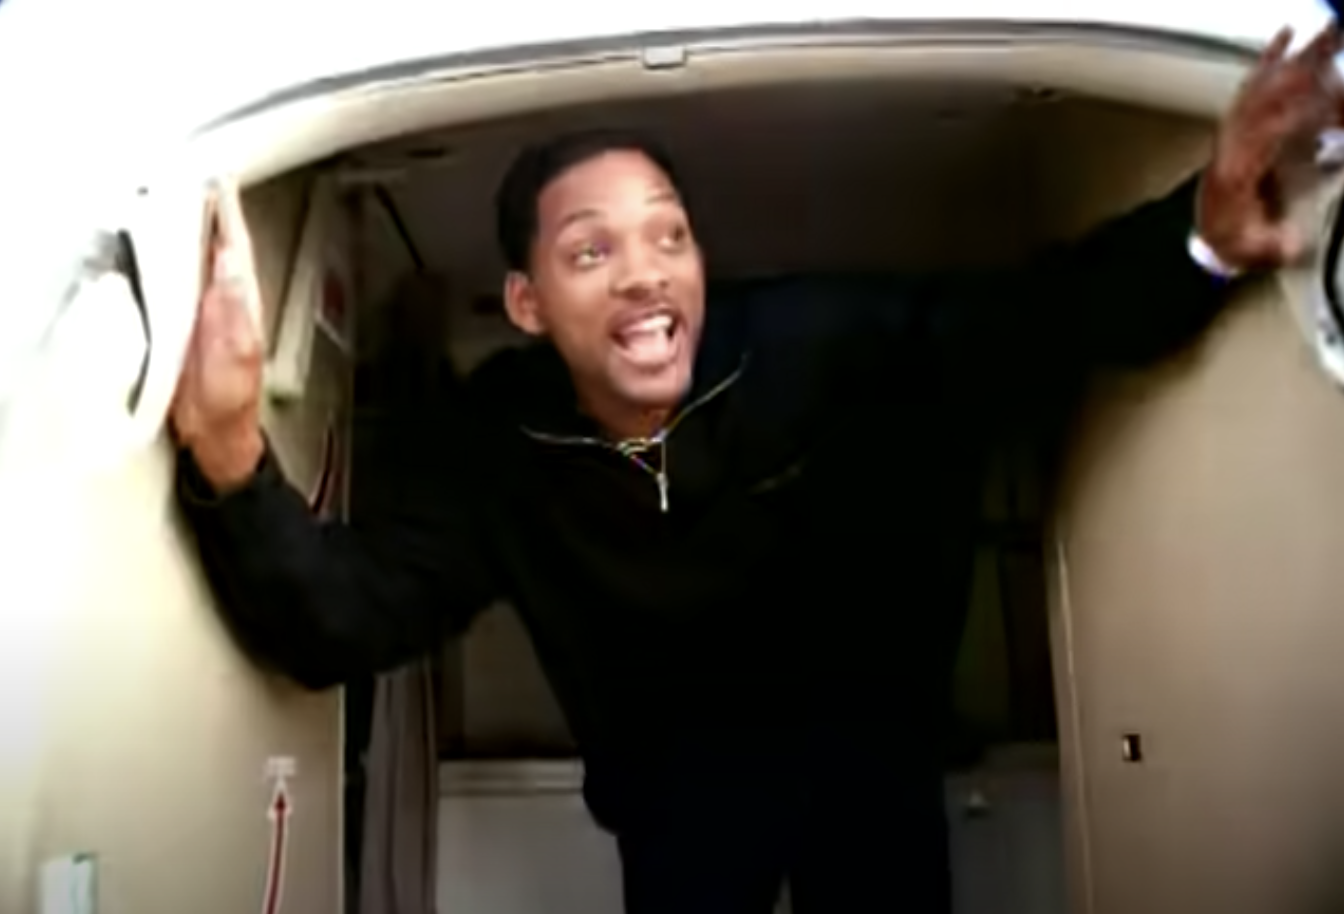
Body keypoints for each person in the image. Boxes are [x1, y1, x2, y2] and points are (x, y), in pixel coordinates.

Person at [171, 25, 1344, 914]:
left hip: (867, 770)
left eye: (669, 235)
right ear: (525, 303)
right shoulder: (498, 446)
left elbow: (1029, 327)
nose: (645, 272)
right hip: (676, 808)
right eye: (591, 249)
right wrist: (229, 446)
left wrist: (1198, 234)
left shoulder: (818, 343)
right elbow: (345, 614)